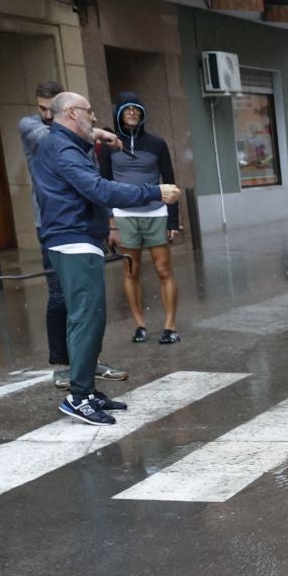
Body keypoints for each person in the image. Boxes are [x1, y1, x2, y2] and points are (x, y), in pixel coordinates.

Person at [31, 92, 179, 427]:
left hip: (79, 236)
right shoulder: (62, 147)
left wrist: (94, 136)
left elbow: (81, 160)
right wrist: (154, 192)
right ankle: (79, 397)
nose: (94, 118)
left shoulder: (65, 142)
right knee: (85, 317)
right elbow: (98, 189)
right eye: (89, 112)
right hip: (72, 239)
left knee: (93, 316)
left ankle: (87, 389)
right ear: (71, 112)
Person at [18, 81, 128, 391]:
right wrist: (97, 134)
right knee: (61, 298)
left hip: (84, 224)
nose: (46, 115)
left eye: (50, 108)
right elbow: (54, 135)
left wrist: (109, 224)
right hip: (58, 226)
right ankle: (64, 367)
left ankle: (87, 364)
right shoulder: (37, 129)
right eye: (43, 109)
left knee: (88, 305)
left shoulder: (78, 142)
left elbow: (93, 185)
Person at [96, 92, 183, 345]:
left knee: (163, 270)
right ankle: (140, 325)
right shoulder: (110, 146)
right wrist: (110, 222)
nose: (132, 112)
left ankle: (170, 326)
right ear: (119, 113)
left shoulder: (157, 144)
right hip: (124, 216)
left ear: (142, 114)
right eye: (127, 109)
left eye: (137, 109)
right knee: (130, 271)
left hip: (156, 213)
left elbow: (169, 181)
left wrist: (173, 221)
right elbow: (104, 183)